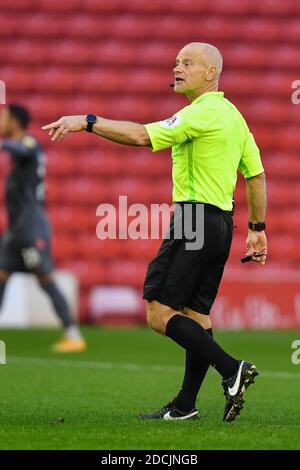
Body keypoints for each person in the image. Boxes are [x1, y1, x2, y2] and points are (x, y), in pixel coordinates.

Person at [42, 42, 267, 422]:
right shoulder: (233, 115)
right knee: (197, 317)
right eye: (176, 61)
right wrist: (258, 229)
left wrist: (88, 121)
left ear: (211, 73)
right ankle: (184, 407)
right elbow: (256, 176)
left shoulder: (203, 112)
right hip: (221, 225)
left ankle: (232, 368)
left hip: (194, 220)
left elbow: (142, 137)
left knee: (157, 312)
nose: (176, 67)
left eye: (188, 63)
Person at [0, 104, 86, 353]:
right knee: (2, 276)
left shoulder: (29, 144)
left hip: (31, 228)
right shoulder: (20, 153)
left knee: (45, 278)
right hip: (15, 230)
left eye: (3, 117)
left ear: (14, 121)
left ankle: (73, 335)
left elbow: (24, 148)